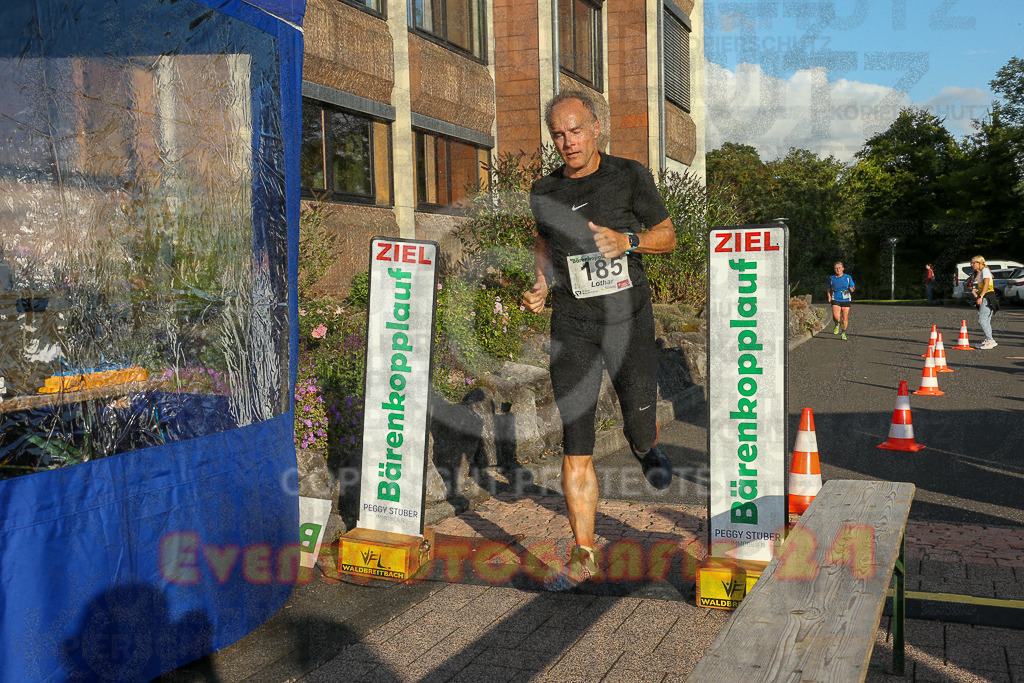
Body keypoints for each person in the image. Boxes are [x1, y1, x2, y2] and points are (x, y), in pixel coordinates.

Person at [522, 91, 676, 584]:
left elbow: (668, 236)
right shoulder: (544, 190)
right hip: (572, 326)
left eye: (576, 130)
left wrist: (628, 240)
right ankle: (584, 553)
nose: (568, 142)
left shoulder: (629, 175)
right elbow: (545, 247)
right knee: (577, 444)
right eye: (558, 135)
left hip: (628, 319)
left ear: (597, 128)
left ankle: (644, 443)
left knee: (637, 421)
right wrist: (541, 283)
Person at [969, 256, 999, 349]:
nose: (972, 265)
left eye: (974, 263)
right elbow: (984, 286)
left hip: (988, 297)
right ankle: (988, 339)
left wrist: (981, 296)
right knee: (986, 320)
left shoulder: (985, 270)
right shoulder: (982, 271)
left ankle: (990, 340)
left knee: (982, 319)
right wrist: (976, 292)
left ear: (980, 263)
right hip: (987, 296)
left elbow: (987, 284)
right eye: (971, 263)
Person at [827, 261, 855, 340]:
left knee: (844, 317)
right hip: (835, 297)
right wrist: (829, 296)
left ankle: (843, 333)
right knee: (836, 316)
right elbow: (828, 288)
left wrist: (852, 289)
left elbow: (853, 287)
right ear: (834, 269)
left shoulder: (848, 277)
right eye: (836, 268)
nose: (838, 269)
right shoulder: (831, 278)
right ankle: (837, 324)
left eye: (839, 268)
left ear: (843, 269)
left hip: (846, 298)